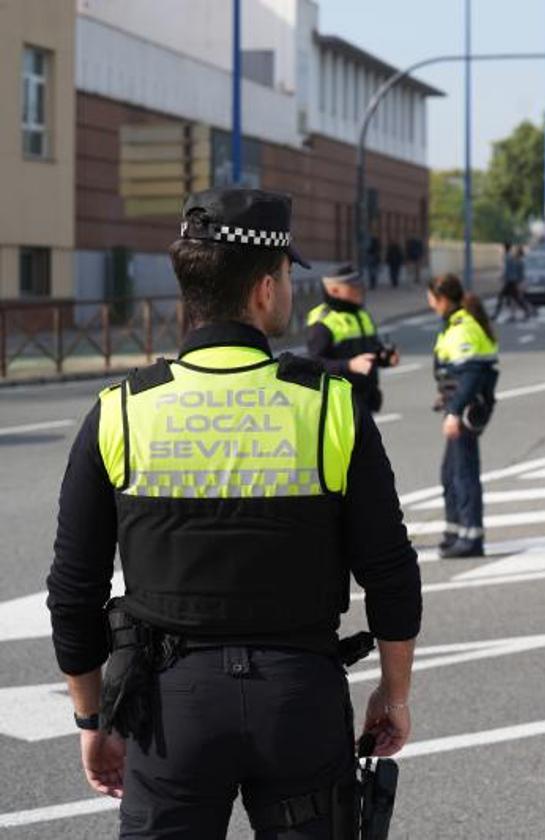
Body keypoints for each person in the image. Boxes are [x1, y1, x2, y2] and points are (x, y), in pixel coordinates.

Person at [45, 187, 422, 838]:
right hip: (300, 700)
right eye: (285, 275)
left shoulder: (121, 410)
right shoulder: (331, 406)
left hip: (171, 711)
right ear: (265, 289)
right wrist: (393, 695)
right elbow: (390, 571)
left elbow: (72, 591)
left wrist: (91, 722)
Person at [428, 274, 499, 559]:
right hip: (460, 406)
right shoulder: (455, 325)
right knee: (451, 473)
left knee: (463, 473)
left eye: (431, 298)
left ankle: (471, 537)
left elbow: (470, 375)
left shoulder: (461, 329)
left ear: (441, 299)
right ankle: (455, 531)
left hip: (467, 410)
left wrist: (454, 412)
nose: (430, 303)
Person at [306, 264, 398, 413]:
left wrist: (384, 357)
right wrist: (349, 365)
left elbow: (372, 351)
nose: (360, 290)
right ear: (334, 290)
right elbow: (315, 365)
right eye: (352, 286)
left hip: (366, 401)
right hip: (338, 405)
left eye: (360, 285)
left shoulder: (362, 315)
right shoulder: (322, 321)